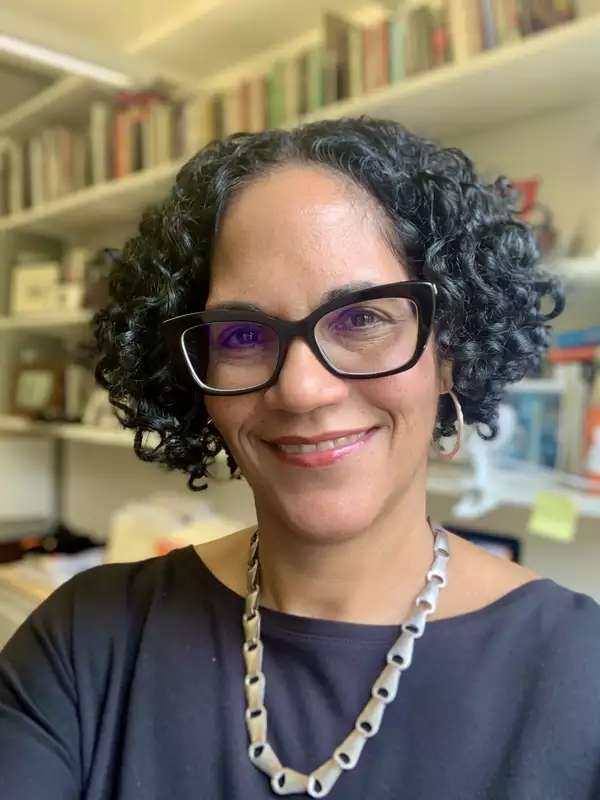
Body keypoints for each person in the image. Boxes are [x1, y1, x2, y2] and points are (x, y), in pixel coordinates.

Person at [1, 116, 599, 799]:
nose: (303, 389)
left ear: (449, 353)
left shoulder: (583, 675)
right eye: (244, 334)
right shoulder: (86, 643)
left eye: (364, 318)